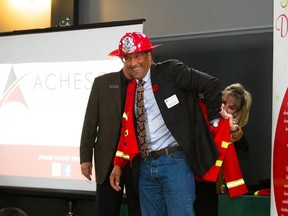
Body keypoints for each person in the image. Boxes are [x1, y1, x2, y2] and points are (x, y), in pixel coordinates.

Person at [109, 32, 222, 216]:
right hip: (145, 167)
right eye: (127, 58)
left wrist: (212, 124)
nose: (133, 63)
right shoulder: (131, 88)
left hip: (175, 163)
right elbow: (127, 130)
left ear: (149, 56)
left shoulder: (170, 71)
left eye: (138, 56)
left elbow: (211, 85)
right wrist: (118, 164)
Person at [80, 64, 141, 216]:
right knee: (106, 211)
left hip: (136, 158)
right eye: (129, 57)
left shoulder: (146, 83)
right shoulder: (102, 83)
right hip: (107, 159)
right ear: (123, 58)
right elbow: (90, 122)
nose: (133, 62)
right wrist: (85, 158)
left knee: (139, 210)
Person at [194, 83, 252, 216]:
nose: (224, 108)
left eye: (231, 108)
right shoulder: (203, 111)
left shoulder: (232, 128)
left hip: (210, 184)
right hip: (189, 174)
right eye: (223, 102)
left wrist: (233, 129)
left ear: (237, 113)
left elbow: (245, 147)